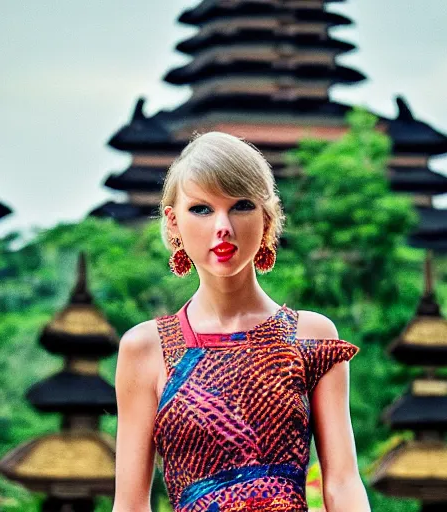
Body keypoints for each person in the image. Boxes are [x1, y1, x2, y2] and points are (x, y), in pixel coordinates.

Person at [112, 132, 371, 512]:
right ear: (173, 223)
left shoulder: (311, 337)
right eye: (202, 209)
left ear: (267, 217)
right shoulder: (145, 348)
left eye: (241, 206)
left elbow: (343, 484)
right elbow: (131, 504)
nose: (223, 227)